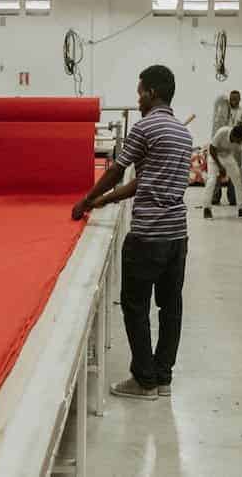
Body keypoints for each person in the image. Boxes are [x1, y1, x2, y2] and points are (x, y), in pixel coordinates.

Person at [72, 64, 191, 401]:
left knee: (135, 305)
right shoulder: (183, 134)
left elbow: (116, 170)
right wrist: (105, 201)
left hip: (148, 235)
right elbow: (144, 180)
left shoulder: (144, 127)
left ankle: (143, 380)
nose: (137, 99)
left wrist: (87, 199)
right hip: (177, 236)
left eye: (140, 93)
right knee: (170, 307)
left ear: (152, 92)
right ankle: (163, 378)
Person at [204, 125, 242, 220]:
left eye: (240, 141)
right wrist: (220, 167)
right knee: (211, 180)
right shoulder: (222, 132)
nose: (239, 143)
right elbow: (212, 149)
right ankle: (207, 209)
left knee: (238, 179)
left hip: (227, 156)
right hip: (214, 156)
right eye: (238, 141)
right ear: (233, 135)